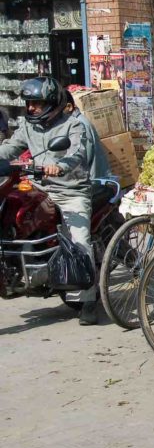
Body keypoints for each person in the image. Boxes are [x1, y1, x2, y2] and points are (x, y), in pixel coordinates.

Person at [0, 77, 99, 324]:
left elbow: (77, 153)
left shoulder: (74, 125)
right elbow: (11, 146)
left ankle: (87, 299)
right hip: (37, 187)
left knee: (79, 241)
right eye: (29, 103)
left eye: (37, 103)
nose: (31, 108)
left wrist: (59, 167)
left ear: (53, 103)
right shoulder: (29, 127)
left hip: (70, 191)